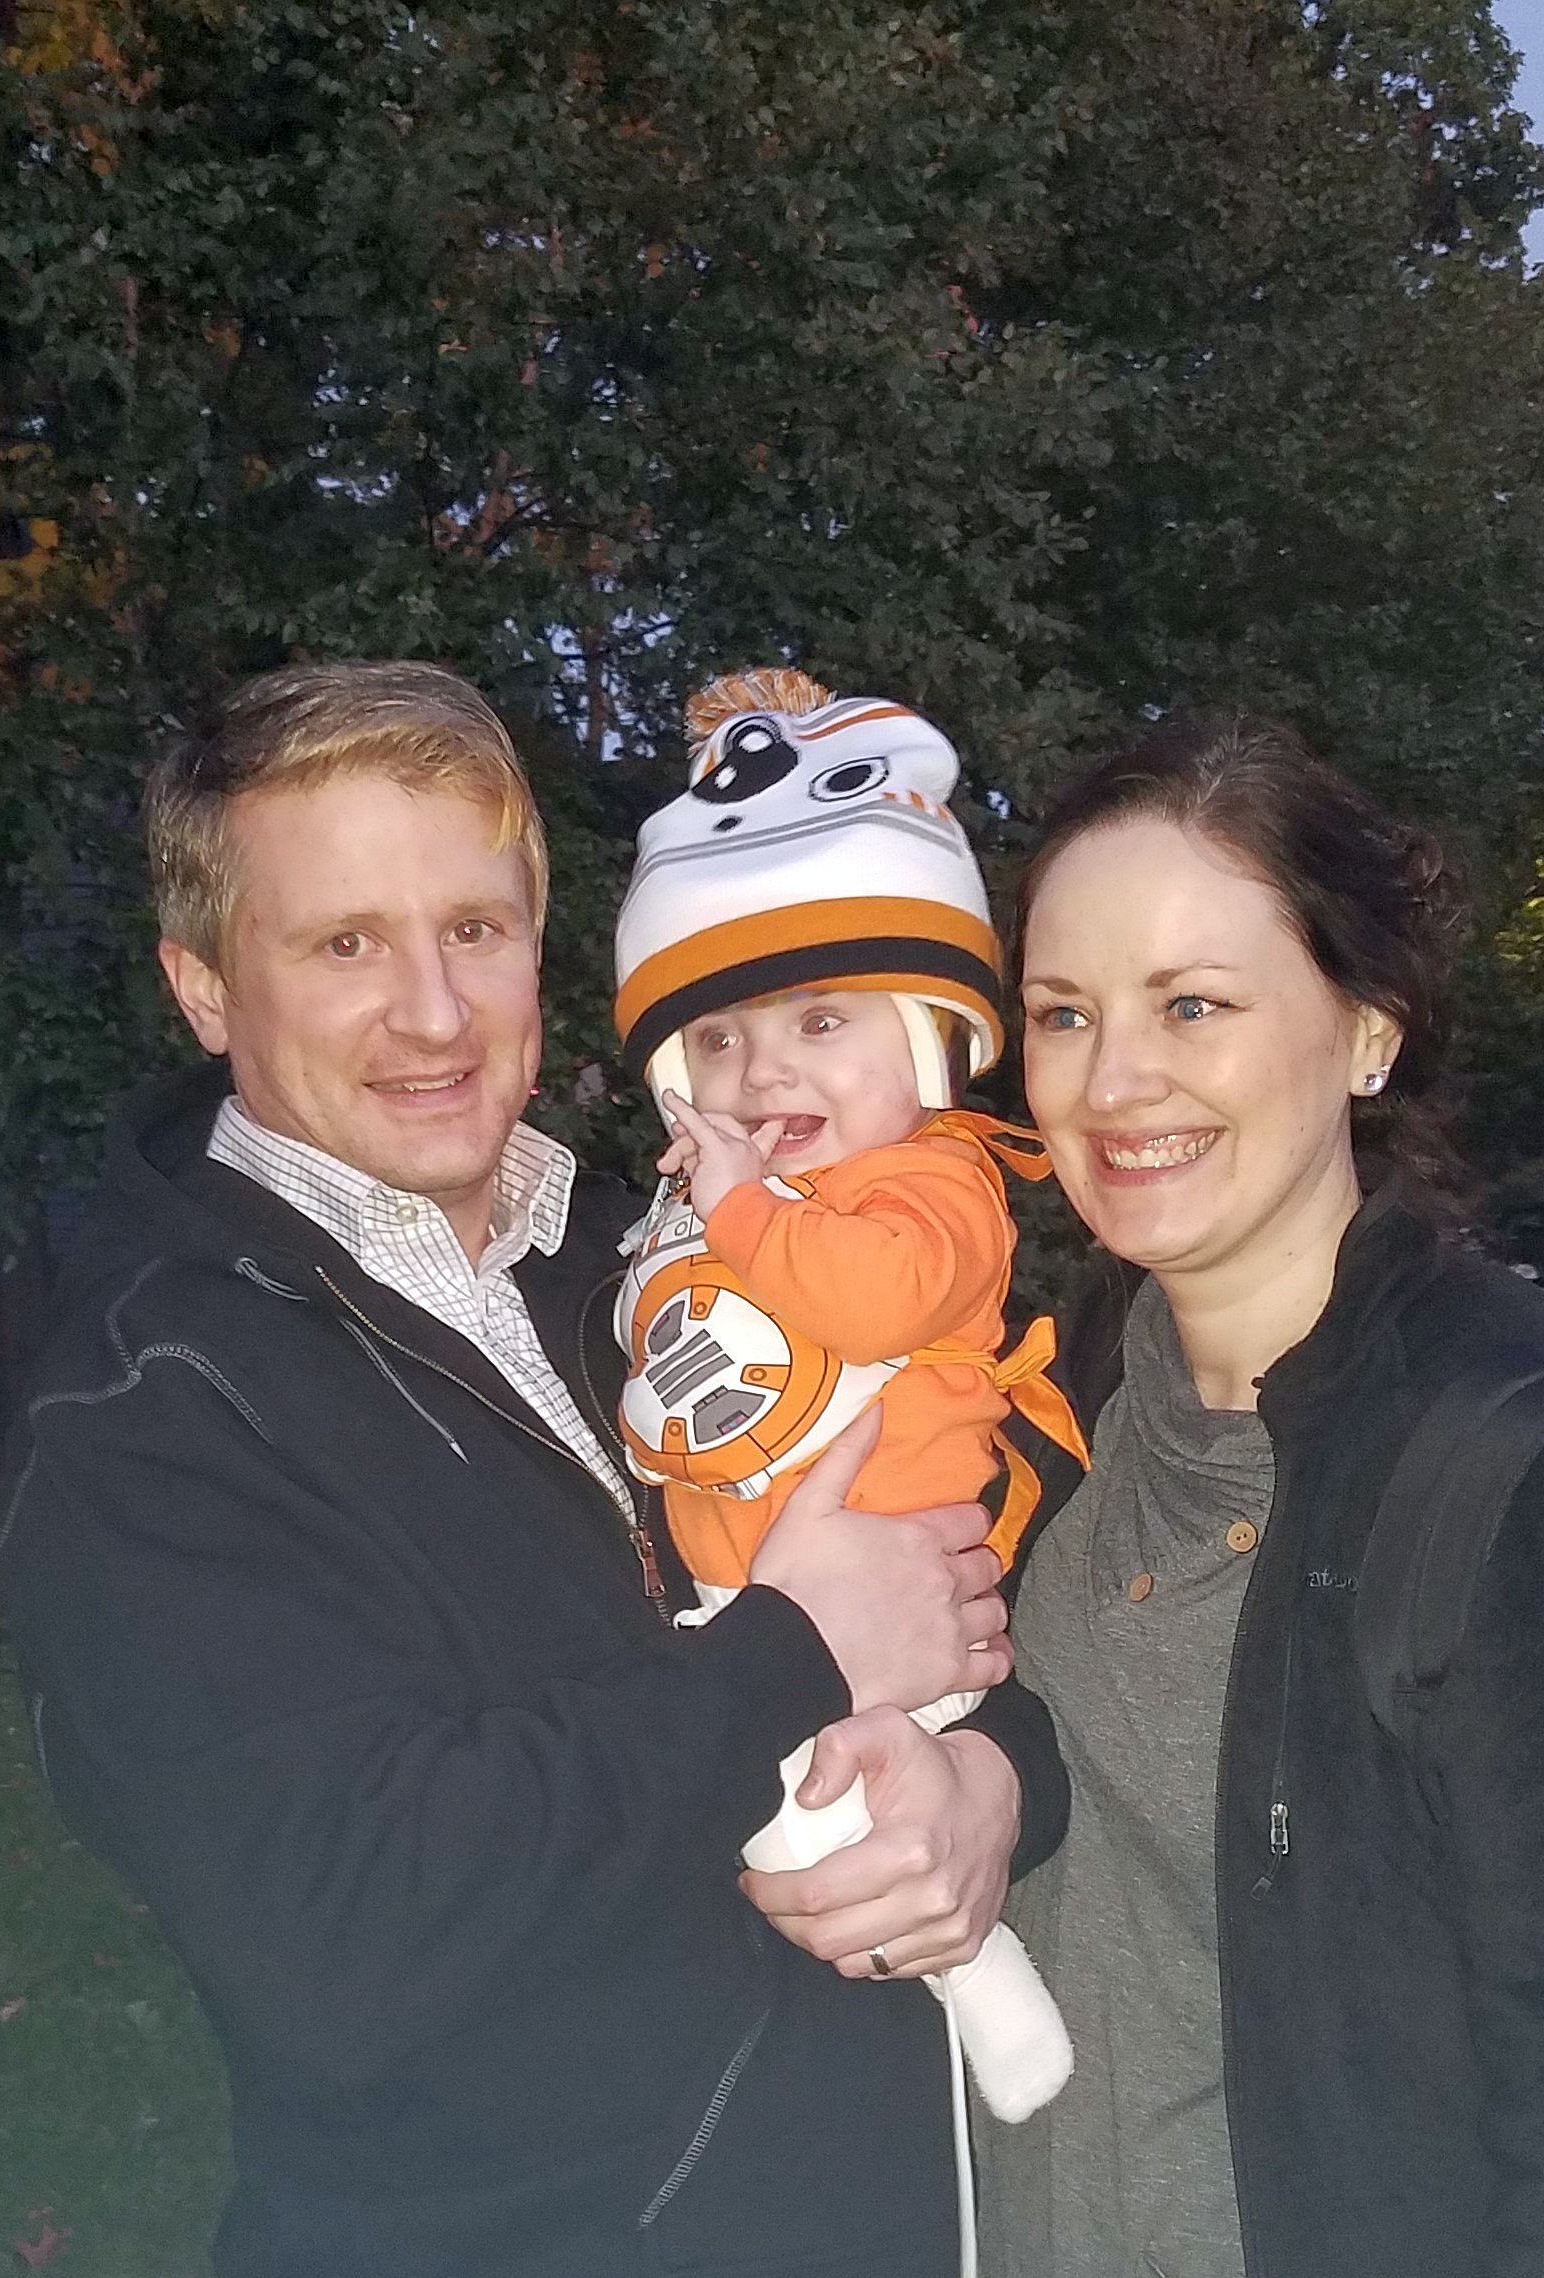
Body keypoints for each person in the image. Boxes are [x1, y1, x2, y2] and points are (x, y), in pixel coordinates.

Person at [0, 661, 1064, 2278]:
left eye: (473, 929)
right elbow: (341, 1931)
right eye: (345, 944)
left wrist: (993, 1786)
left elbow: (973, 1601)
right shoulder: (152, 1404)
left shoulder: (646, 1259)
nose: (434, 1012)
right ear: (204, 986)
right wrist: (788, 1655)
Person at [951, 716, 1544, 2277]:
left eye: (1191, 1003)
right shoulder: (1056, 1402)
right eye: (1062, 1013)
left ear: (1367, 1031)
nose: (1112, 1079)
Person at [610, 666, 1082, 2125]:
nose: (763, 1073)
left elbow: (867, 1298)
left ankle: (986, 1981)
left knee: (838, 1824)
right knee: (782, 1830)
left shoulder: (937, 1182)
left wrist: (739, 1209)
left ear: (927, 1035)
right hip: (743, 1610)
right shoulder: (709, 1207)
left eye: (821, 1024)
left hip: (894, 1611)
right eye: (721, 1041)